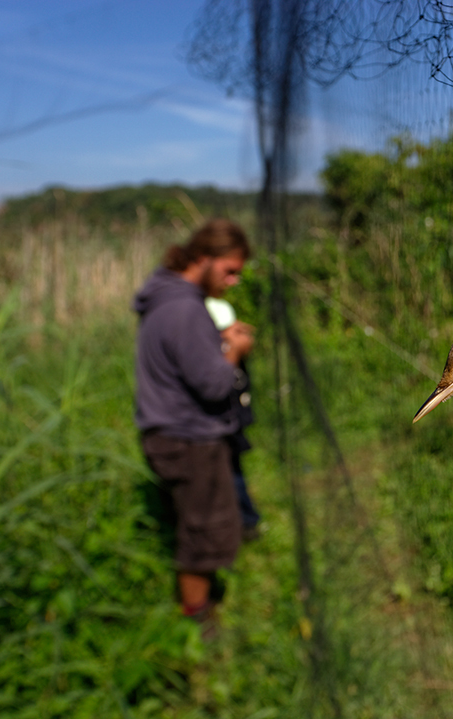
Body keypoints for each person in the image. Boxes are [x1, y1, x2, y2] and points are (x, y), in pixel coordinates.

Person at [133, 218, 254, 629]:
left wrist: (217, 345)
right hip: (189, 439)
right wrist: (234, 350)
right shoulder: (185, 310)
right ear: (203, 259)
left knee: (193, 522)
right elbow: (213, 384)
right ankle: (198, 622)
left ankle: (199, 605)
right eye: (229, 270)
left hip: (169, 430)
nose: (235, 281)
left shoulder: (165, 298)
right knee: (203, 534)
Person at [205, 296, 262, 540]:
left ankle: (247, 522)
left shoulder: (229, 351)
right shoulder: (224, 349)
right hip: (223, 421)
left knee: (232, 472)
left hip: (231, 421)